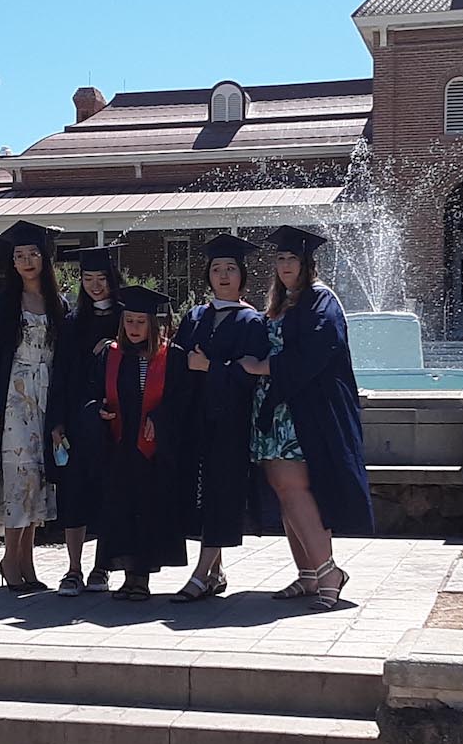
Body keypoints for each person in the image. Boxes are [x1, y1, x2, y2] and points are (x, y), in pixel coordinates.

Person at [239, 226, 374, 611]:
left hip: (303, 408)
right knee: (285, 490)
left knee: (294, 489)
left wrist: (263, 367)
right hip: (278, 406)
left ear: (306, 263)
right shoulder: (284, 302)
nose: (284, 266)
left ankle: (329, 570)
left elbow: (317, 352)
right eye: (280, 259)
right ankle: (308, 573)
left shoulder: (320, 300)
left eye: (292, 259)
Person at [169, 234, 268, 603]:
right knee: (202, 494)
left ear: (242, 275)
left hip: (230, 422)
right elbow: (178, 364)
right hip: (195, 420)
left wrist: (210, 367)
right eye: (216, 269)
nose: (223, 275)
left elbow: (252, 374)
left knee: (221, 493)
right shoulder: (196, 315)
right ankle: (216, 571)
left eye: (230, 269)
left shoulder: (252, 321)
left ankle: (200, 573)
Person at [0, 220, 67, 592]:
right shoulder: (4, 304)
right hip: (14, 399)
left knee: (39, 479)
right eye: (19, 256)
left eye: (32, 254)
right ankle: (10, 560)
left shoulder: (58, 303)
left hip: (46, 397)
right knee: (18, 476)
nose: (26, 261)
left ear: (45, 259)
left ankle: (27, 562)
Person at [84, 285, 187, 600]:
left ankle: (141, 577)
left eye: (140, 322)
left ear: (153, 324)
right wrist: (97, 409)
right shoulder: (112, 355)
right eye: (129, 321)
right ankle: (127, 576)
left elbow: (182, 399)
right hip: (120, 445)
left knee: (148, 511)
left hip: (153, 452)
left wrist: (162, 417)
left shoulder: (172, 355)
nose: (134, 328)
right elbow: (94, 393)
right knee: (122, 511)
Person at [48, 243, 125, 598]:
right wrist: (57, 420)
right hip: (78, 421)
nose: (96, 285)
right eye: (88, 278)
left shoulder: (128, 317)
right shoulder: (72, 322)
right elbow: (60, 374)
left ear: (113, 279)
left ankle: (102, 567)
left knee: (110, 491)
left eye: (102, 278)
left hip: (117, 421)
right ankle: (73, 568)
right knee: (74, 493)